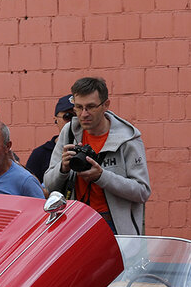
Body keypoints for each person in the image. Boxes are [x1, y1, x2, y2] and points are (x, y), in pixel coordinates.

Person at [44, 77, 151, 235]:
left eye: (91, 107)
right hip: (76, 221)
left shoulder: (127, 139)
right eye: (79, 107)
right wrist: (63, 168)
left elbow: (142, 191)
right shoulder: (69, 132)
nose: (83, 114)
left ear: (106, 105)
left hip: (114, 226)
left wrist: (102, 177)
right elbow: (49, 183)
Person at [25, 94, 75, 184]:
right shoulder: (40, 154)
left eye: (77, 116)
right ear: (56, 119)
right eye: (67, 116)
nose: (73, 121)